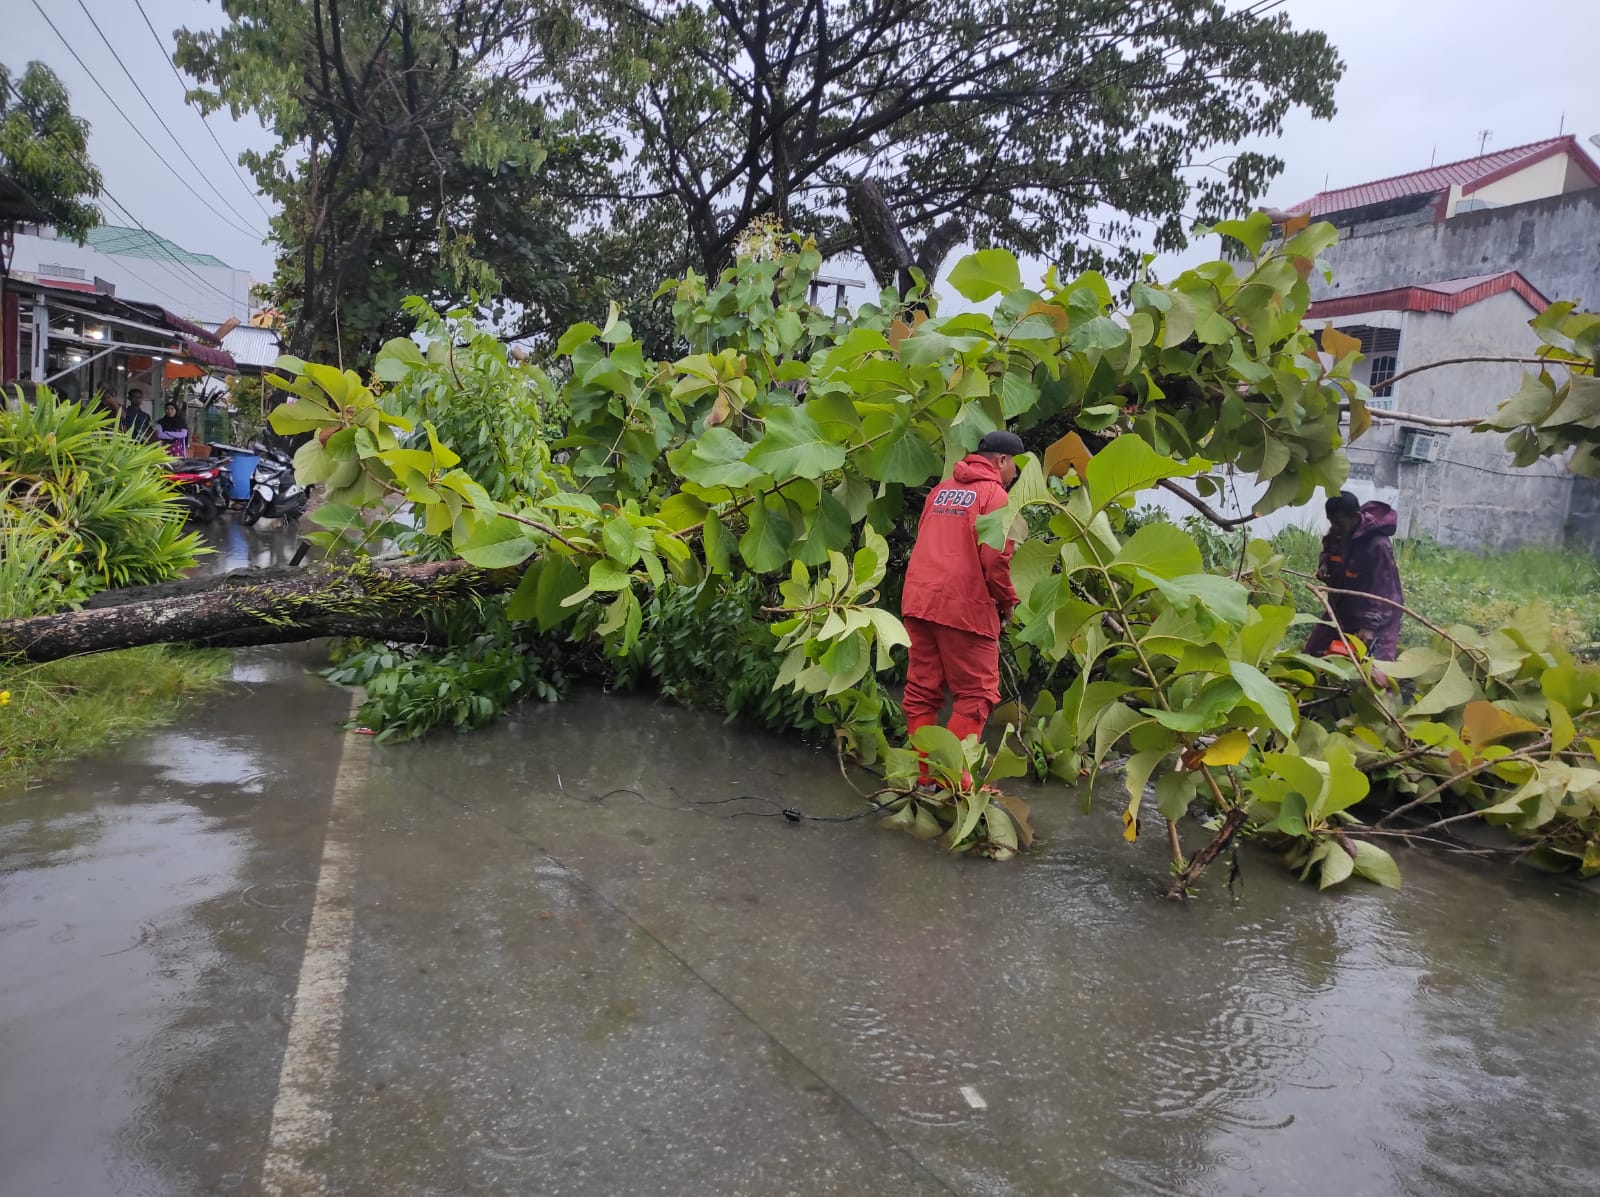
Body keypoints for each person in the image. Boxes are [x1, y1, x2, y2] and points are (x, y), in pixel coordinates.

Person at [901, 429, 1023, 790]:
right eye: (1014, 465)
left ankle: (927, 778)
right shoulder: (996, 495)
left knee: (922, 692)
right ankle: (951, 779)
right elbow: (995, 559)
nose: (1016, 474)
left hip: (920, 602)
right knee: (976, 694)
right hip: (964, 607)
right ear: (1001, 461)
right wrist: (1008, 602)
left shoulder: (940, 491)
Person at [1303, 491, 1403, 662]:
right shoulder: (1338, 533)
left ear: (1355, 517)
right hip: (1341, 609)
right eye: (1331, 521)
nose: (1334, 526)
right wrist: (1324, 564)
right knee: (1311, 657)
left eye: (1338, 522)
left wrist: (1369, 626)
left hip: (1377, 618)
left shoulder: (1377, 545)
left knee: (1374, 673)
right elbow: (1328, 549)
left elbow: (1385, 592)